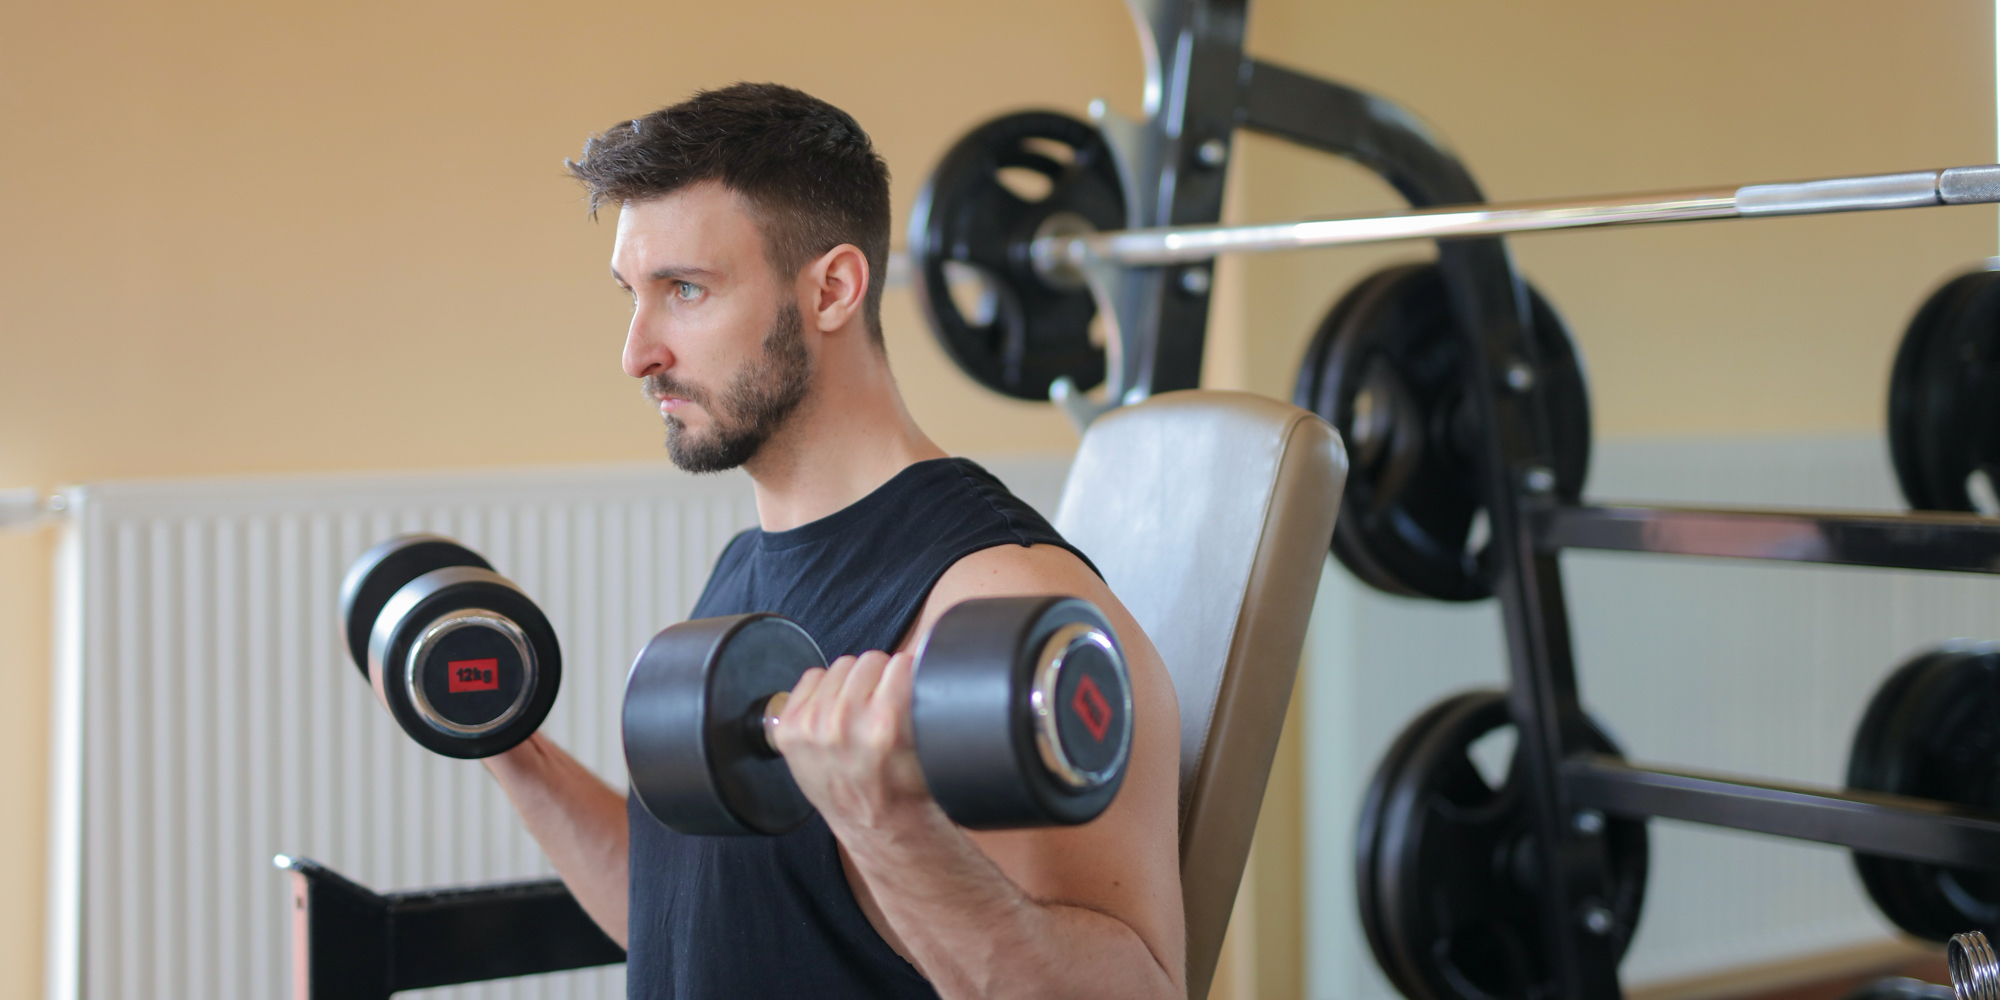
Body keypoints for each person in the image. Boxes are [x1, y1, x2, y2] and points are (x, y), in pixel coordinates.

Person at [481, 82, 1186, 1000]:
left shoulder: (997, 601)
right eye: (632, 295)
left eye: (684, 290)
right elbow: (702, 924)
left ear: (833, 289)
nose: (637, 352)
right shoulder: (752, 565)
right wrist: (510, 750)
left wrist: (895, 829)